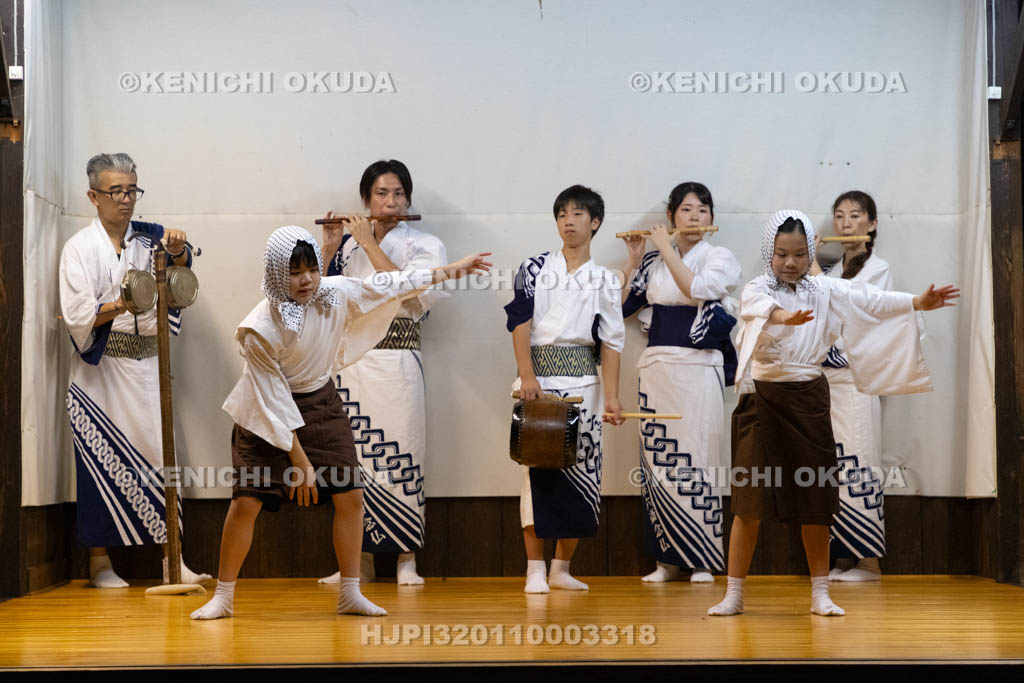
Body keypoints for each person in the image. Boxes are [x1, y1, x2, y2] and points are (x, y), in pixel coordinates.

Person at [190, 225, 489, 619]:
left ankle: (350, 592)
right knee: (246, 502)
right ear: (277, 273)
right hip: (264, 410)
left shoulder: (334, 292)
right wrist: (300, 461)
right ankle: (224, 597)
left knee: (350, 496)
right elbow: (274, 400)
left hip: (321, 402)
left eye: (312, 269)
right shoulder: (258, 328)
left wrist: (452, 270)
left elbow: (394, 283)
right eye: (294, 272)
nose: (306, 280)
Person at [707, 209, 957, 617]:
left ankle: (820, 592)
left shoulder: (824, 289)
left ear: (811, 253)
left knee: (816, 499)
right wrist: (784, 316)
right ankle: (733, 593)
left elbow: (870, 300)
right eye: (781, 254)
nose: (790, 263)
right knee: (748, 502)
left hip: (808, 399)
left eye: (799, 254)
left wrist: (917, 302)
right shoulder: (756, 287)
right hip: (761, 401)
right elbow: (761, 308)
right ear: (769, 252)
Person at [59, 152, 210, 588]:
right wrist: (124, 303)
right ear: (94, 196)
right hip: (102, 372)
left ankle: (172, 559)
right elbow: (77, 315)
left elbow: (180, 275)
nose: (125, 200)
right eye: (115, 191)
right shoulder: (79, 248)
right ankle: (99, 563)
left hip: (149, 366)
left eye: (131, 190)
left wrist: (178, 252)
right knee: (99, 464)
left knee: (163, 460)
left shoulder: (151, 238)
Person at [318, 160, 446, 587]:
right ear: (366, 200)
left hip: (399, 360)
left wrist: (369, 242)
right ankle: (359, 563)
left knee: (404, 452)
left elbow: (411, 293)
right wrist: (330, 249)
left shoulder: (425, 244)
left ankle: (407, 557)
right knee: (352, 461)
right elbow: (320, 299)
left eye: (398, 194)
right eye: (380, 194)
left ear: (408, 199)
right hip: (353, 364)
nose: (390, 202)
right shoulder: (348, 246)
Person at [504, 184, 626, 594]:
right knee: (537, 473)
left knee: (583, 472)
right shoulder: (534, 267)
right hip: (539, 383)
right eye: (561, 214)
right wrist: (527, 376)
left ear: (595, 223)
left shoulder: (605, 279)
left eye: (577, 214)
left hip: (586, 386)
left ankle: (561, 567)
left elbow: (611, 343)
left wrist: (612, 397)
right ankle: (534, 569)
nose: (568, 222)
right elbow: (519, 322)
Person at [620, 182, 741, 583]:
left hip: (699, 367)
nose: (694, 217)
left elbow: (697, 288)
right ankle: (666, 561)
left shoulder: (719, 257)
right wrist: (634, 260)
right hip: (658, 368)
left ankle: (703, 559)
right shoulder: (653, 262)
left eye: (702, 210)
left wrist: (665, 250)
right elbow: (620, 307)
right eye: (686, 210)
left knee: (701, 454)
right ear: (672, 216)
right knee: (660, 458)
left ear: (712, 217)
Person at [822, 191, 894, 582]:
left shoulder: (878, 268)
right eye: (839, 215)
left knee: (860, 460)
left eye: (855, 215)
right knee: (836, 465)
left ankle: (869, 562)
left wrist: (813, 269)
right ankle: (844, 557)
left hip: (858, 378)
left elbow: (853, 306)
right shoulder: (833, 270)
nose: (846, 223)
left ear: (872, 223)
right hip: (828, 381)